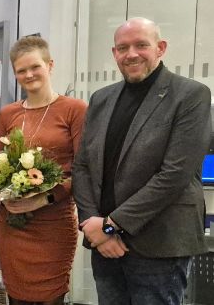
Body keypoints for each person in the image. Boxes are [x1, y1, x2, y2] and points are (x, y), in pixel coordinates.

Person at [73, 17, 210, 305]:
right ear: (114, 54)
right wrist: (93, 225)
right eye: (123, 47)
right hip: (104, 244)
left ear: (160, 48)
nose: (131, 53)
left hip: (158, 243)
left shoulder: (191, 95)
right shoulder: (101, 99)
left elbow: (174, 175)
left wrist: (111, 226)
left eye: (141, 45)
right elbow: (83, 166)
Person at [0, 36, 86, 305]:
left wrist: (45, 197)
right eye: (21, 70)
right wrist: (7, 195)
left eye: (35, 67)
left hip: (53, 224)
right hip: (12, 225)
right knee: (16, 297)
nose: (29, 74)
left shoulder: (74, 110)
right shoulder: (8, 114)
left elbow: (83, 170)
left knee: (51, 297)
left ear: (49, 65)